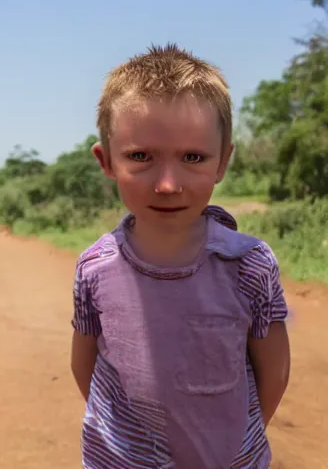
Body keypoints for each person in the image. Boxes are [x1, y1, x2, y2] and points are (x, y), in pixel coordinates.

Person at [70, 44, 290, 469]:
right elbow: (85, 366)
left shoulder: (250, 266)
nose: (168, 184)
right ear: (107, 161)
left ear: (223, 162)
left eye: (193, 157)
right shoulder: (94, 267)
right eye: (140, 157)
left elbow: (274, 375)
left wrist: (231, 444)